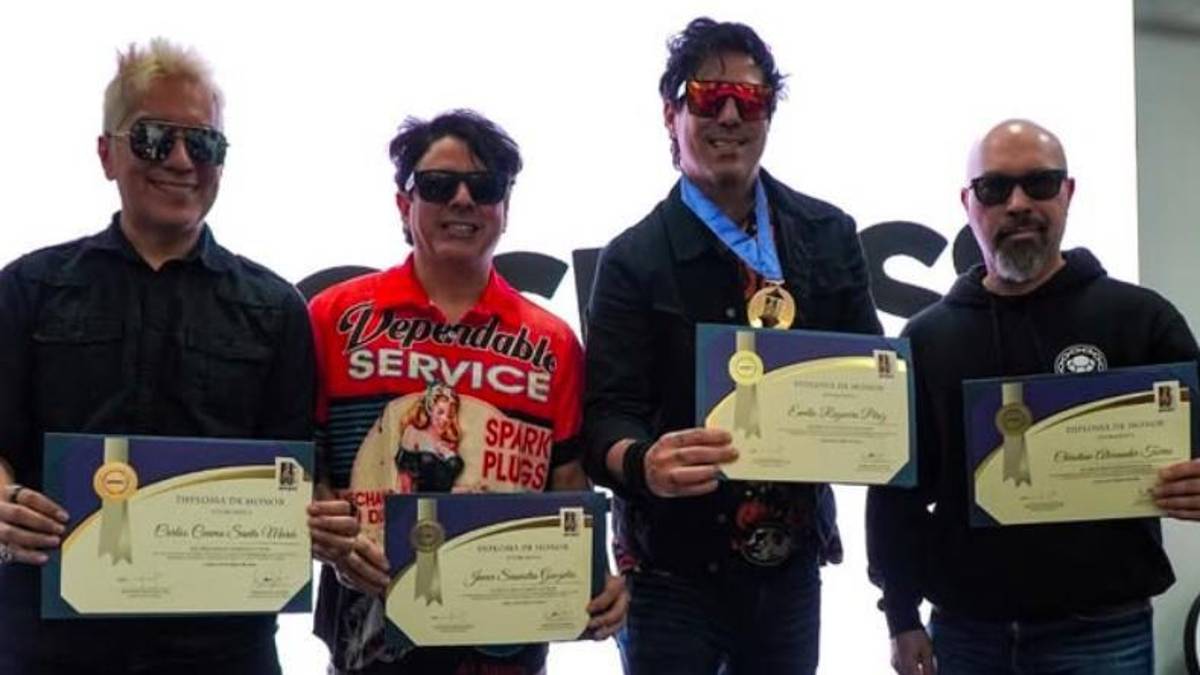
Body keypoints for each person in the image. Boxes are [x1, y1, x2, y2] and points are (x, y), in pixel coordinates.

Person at [0, 39, 318, 675]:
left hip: (223, 647)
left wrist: (318, 522)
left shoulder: (277, 308)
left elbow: (295, 473)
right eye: (152, 138)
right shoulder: (27, 289)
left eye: (203, 144)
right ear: (106, 153)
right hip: (52, 641)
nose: (180, 160)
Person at [581, 17, 882, 675]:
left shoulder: (828, 233)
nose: (728, 114)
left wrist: (872, 428)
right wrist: (644, 463)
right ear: (671, 114)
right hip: (671, 573)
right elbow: (604, 417)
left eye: (749, 99)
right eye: (707, 95)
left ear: (769, 114)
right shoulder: (632, 258)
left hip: (790, 564)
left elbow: (874, 380)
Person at [867, 119, 1200, 675]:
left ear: (1067, 192)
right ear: (968, 203)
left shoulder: (1141, 319)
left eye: (1039, 183)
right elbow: (894, 494)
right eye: (995, 188)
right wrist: (900, 616)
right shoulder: (926, 338)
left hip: (1103, 633)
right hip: (966, 634)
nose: (1018, 203)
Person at [306, 109, 627, 675]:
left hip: (505, 642)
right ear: (404, 204)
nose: (462, 200)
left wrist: (596, 578)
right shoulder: (333, 317)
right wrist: (328, 536)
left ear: (506, 208)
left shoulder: (553, 342)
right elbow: (303, 467)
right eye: (437, 185)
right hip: (368, 634)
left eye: (485, 187)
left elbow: (568, 481)